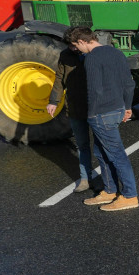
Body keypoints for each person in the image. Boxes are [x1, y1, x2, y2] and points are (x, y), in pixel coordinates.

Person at [63, 26, 139, 211]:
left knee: (117, 155)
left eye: (76, 46)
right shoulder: (117, 53)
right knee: (102, 152)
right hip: (117, 109)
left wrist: (91, 115)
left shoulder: (91, 59)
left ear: (81, 41)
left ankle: (130, 196)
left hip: (100, 114)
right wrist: (128, 107)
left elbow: (94, 90)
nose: (76, 50)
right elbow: (129, 83)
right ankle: (109, 191)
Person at [46, 41, 94, 194]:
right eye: (70, 45)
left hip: (96, 107)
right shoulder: (66, 55)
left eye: (75, 45)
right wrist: (54, 101)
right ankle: (85, 179)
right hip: (75, 107)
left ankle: (108, 183)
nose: (73, 49)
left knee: (102, 145)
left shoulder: (95, 54)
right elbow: (59, 79)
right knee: (82, 145)